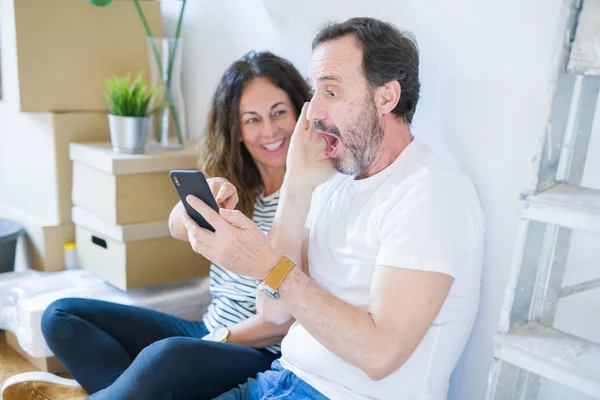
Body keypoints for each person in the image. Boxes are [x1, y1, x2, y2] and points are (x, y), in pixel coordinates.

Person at [180, 17, 486, 399]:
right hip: (281, 379)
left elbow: (379, 355)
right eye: (314, 92)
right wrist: (294, 183)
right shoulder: (334, 181)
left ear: (387, 97)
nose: (312, 112)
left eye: (332, 92)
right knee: (156, 372)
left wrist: (267, 267)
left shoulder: (430, 192)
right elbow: (274, 313)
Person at [0, 51, 312, 400]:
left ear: (301, 112)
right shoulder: (242, 187)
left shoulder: (309, 193)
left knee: (164, 357)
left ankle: (113, 391)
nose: (269, 130)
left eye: (279, 112)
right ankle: (124, 390)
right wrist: (197, 204)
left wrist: (213, 341)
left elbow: (283, 321)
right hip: (208, 327)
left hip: (259, 349)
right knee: (62, 316)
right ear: (236, 130)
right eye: (252, 119)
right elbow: (176, 227)